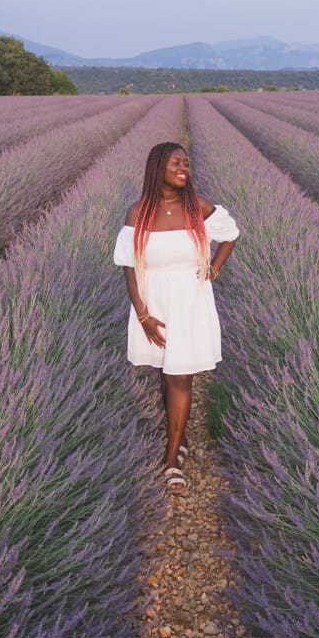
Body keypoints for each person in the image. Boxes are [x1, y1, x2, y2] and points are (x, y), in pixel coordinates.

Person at [113, 141, 239, 494]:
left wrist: (214, 268)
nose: (184, 168)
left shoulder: (197, 207)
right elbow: (129, 267)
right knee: (165, 376)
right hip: (155, 304)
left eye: (186, 163)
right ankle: (177, 436)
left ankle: (172, 462)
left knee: (180, 377)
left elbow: (230, 235)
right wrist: (143, 315)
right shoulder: (137, 213)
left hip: (190, 302)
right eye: (176, 164)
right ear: (158, 169)